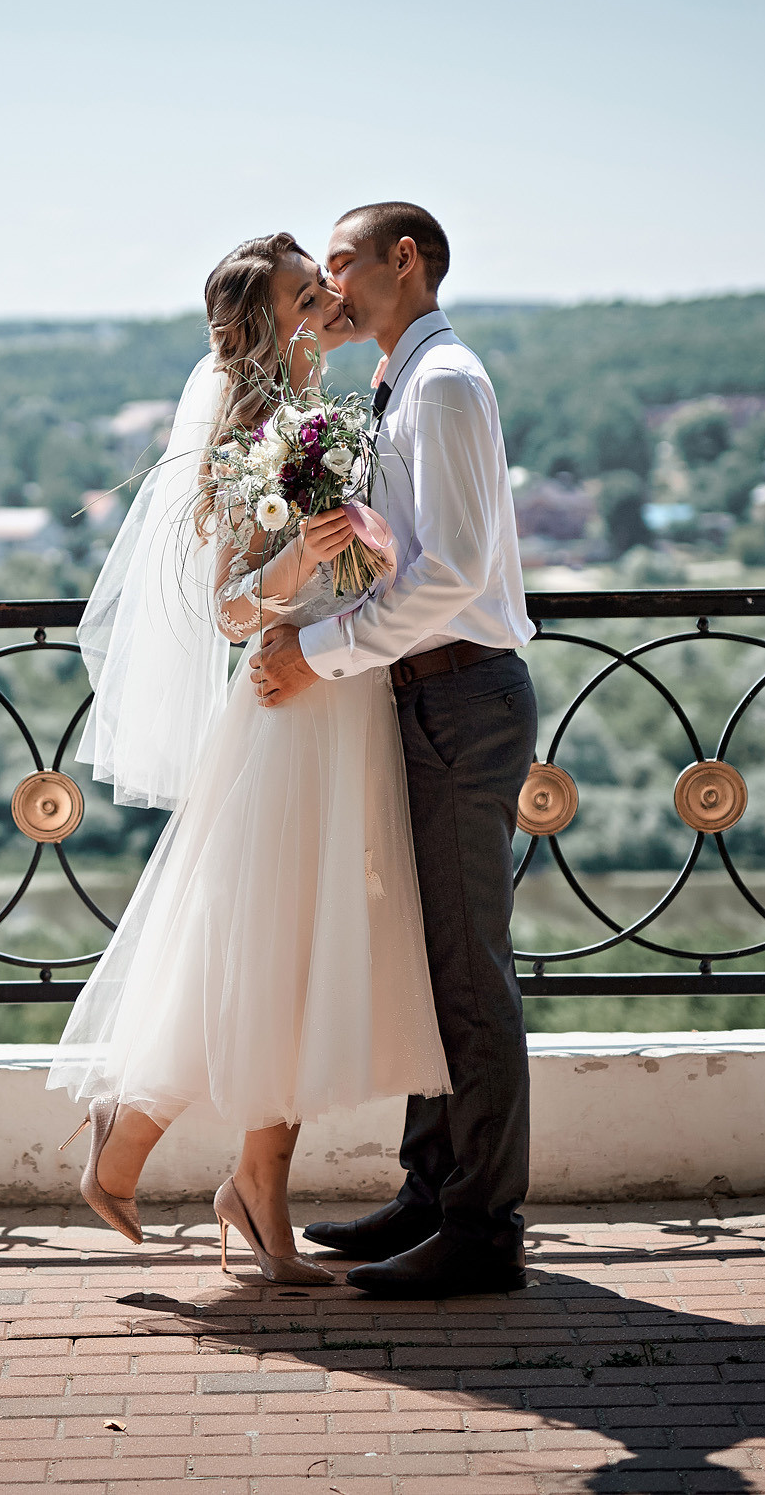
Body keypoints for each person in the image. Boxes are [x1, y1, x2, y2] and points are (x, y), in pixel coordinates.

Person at [50, 231, 451, 1285]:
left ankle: (236, 1178)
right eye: (302, 288)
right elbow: (229, 608)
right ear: (268, 317)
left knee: (313, 950)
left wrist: (363, 550)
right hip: (285, 709)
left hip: (350, 700)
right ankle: (158, 1153)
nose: (325, 295)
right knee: (269, 945)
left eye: (323, 281)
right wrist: (299, 560)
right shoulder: (250, 426)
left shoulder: (335, 411)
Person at [247, 201, 539, 1299]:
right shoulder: (399, 383)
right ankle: (430, 1193)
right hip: (427, 698)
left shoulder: (446, 383)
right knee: (435, 963)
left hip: (461, 701)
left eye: (342, 264)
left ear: (404, 260)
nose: (332, 287)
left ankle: (481, 1230)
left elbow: (456, 573)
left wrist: (319, 653)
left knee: (470, 974)